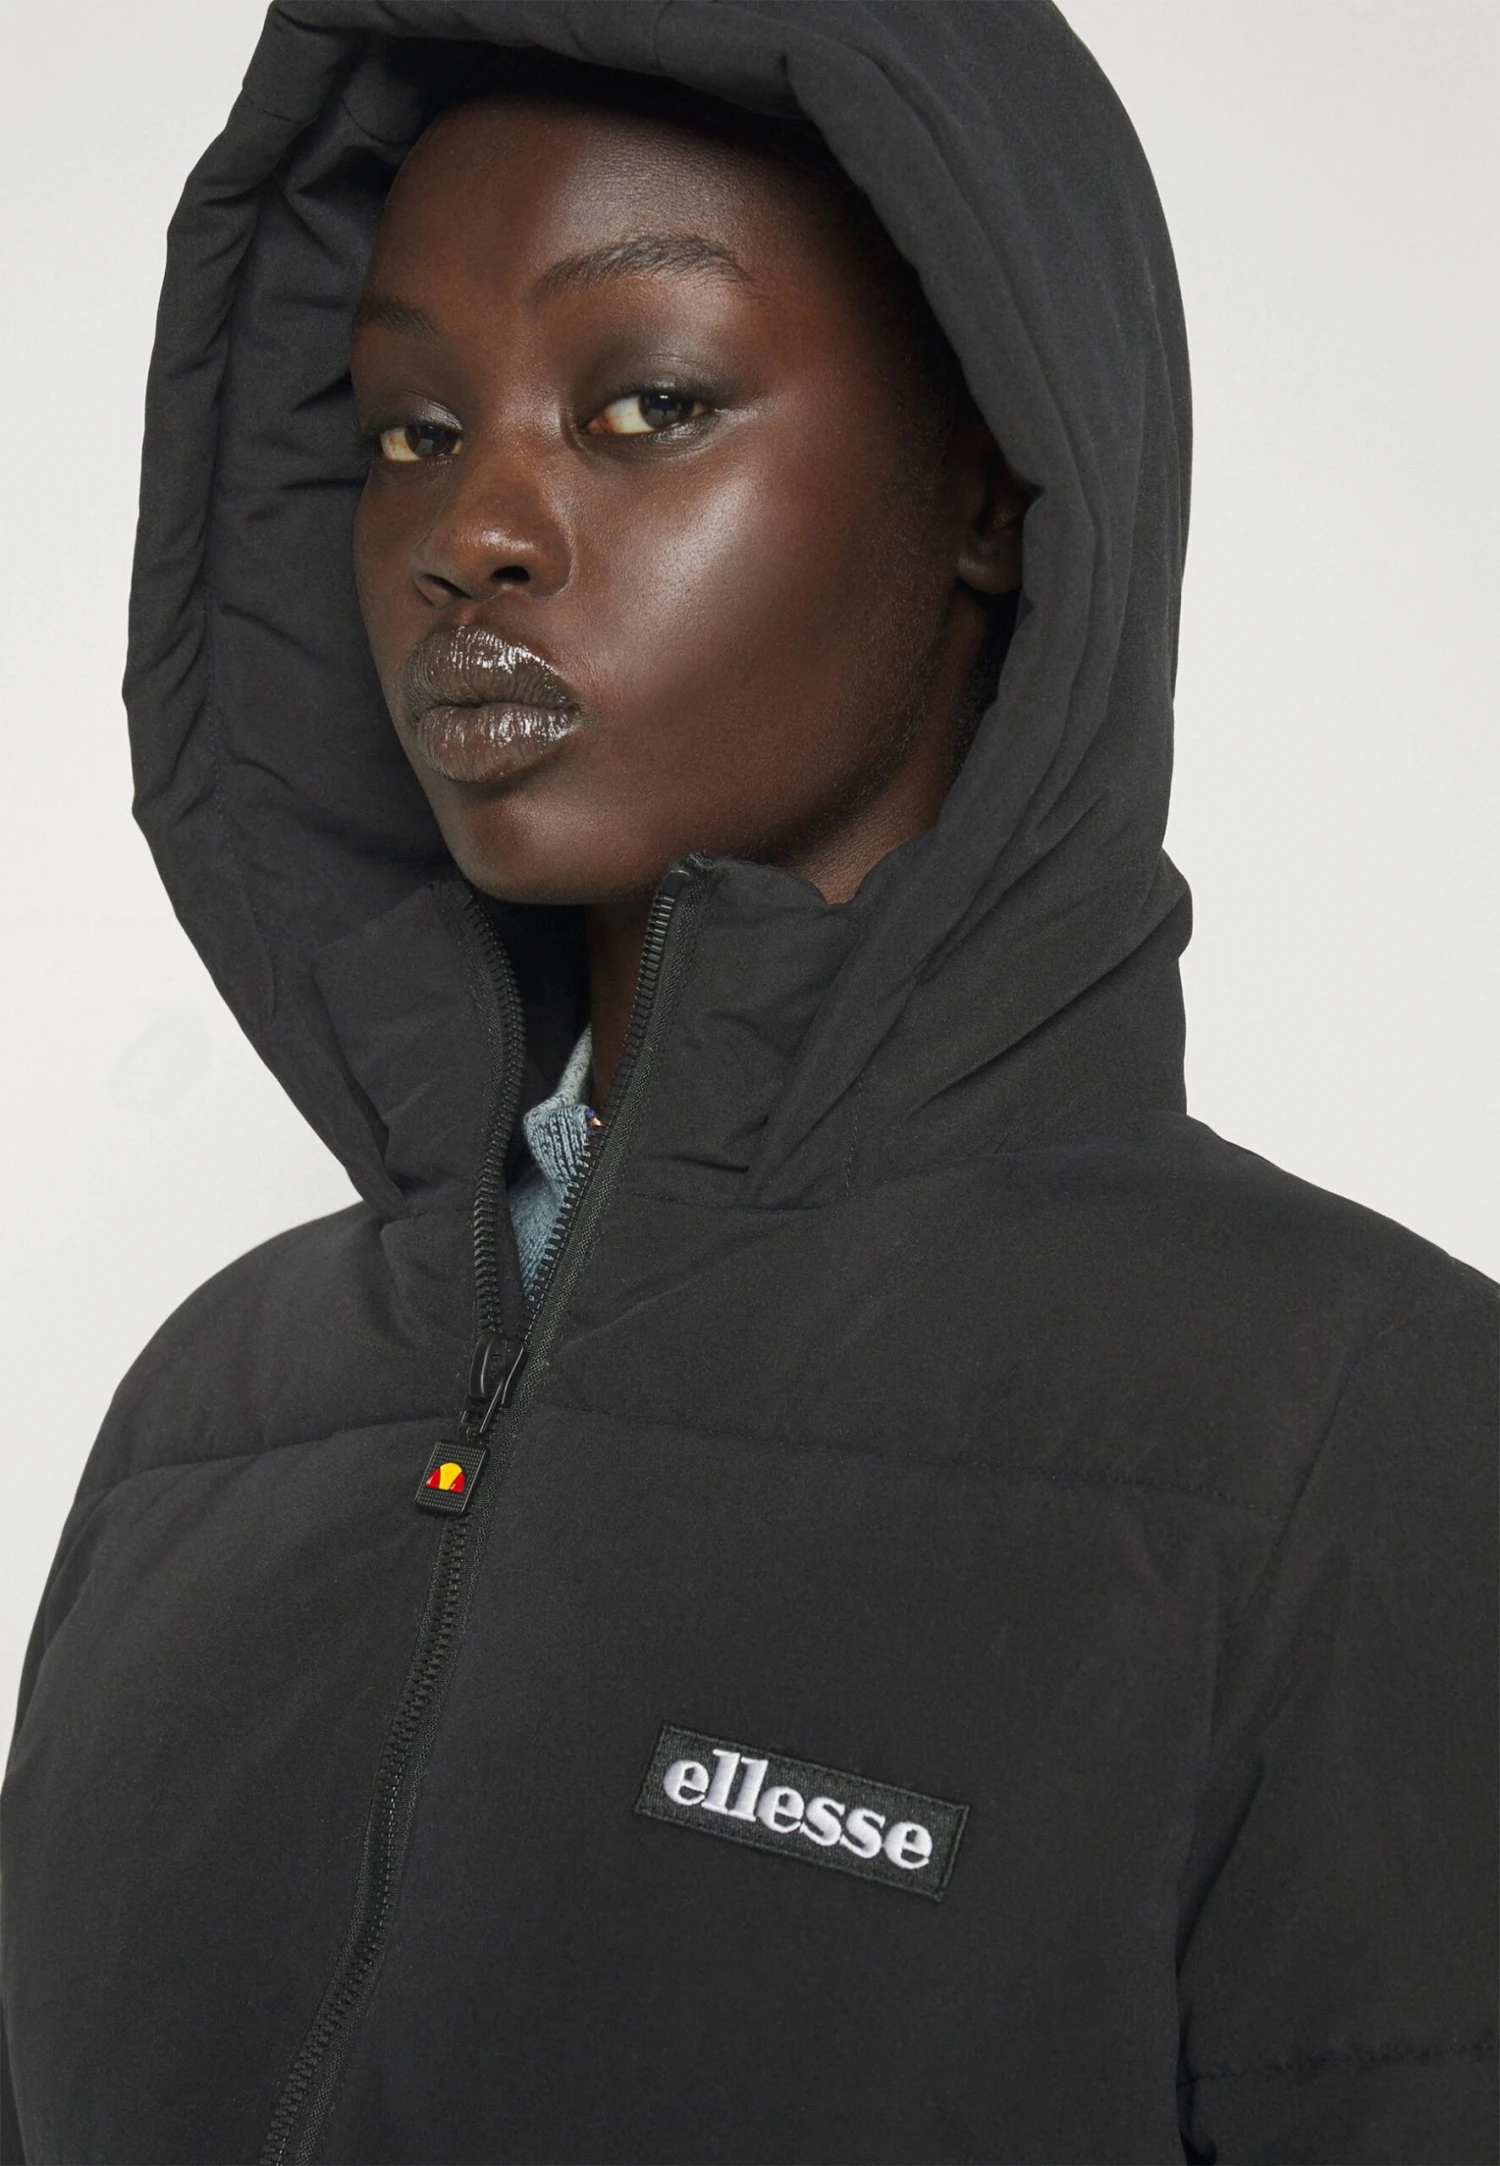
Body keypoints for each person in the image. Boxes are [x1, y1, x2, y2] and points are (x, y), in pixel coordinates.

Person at [1, 7, 1494, 2164]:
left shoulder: (1351, 1420)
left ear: (989, 483)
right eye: (407, 430)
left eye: (647, 405)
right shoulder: (209, 1415)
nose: (473, 530)